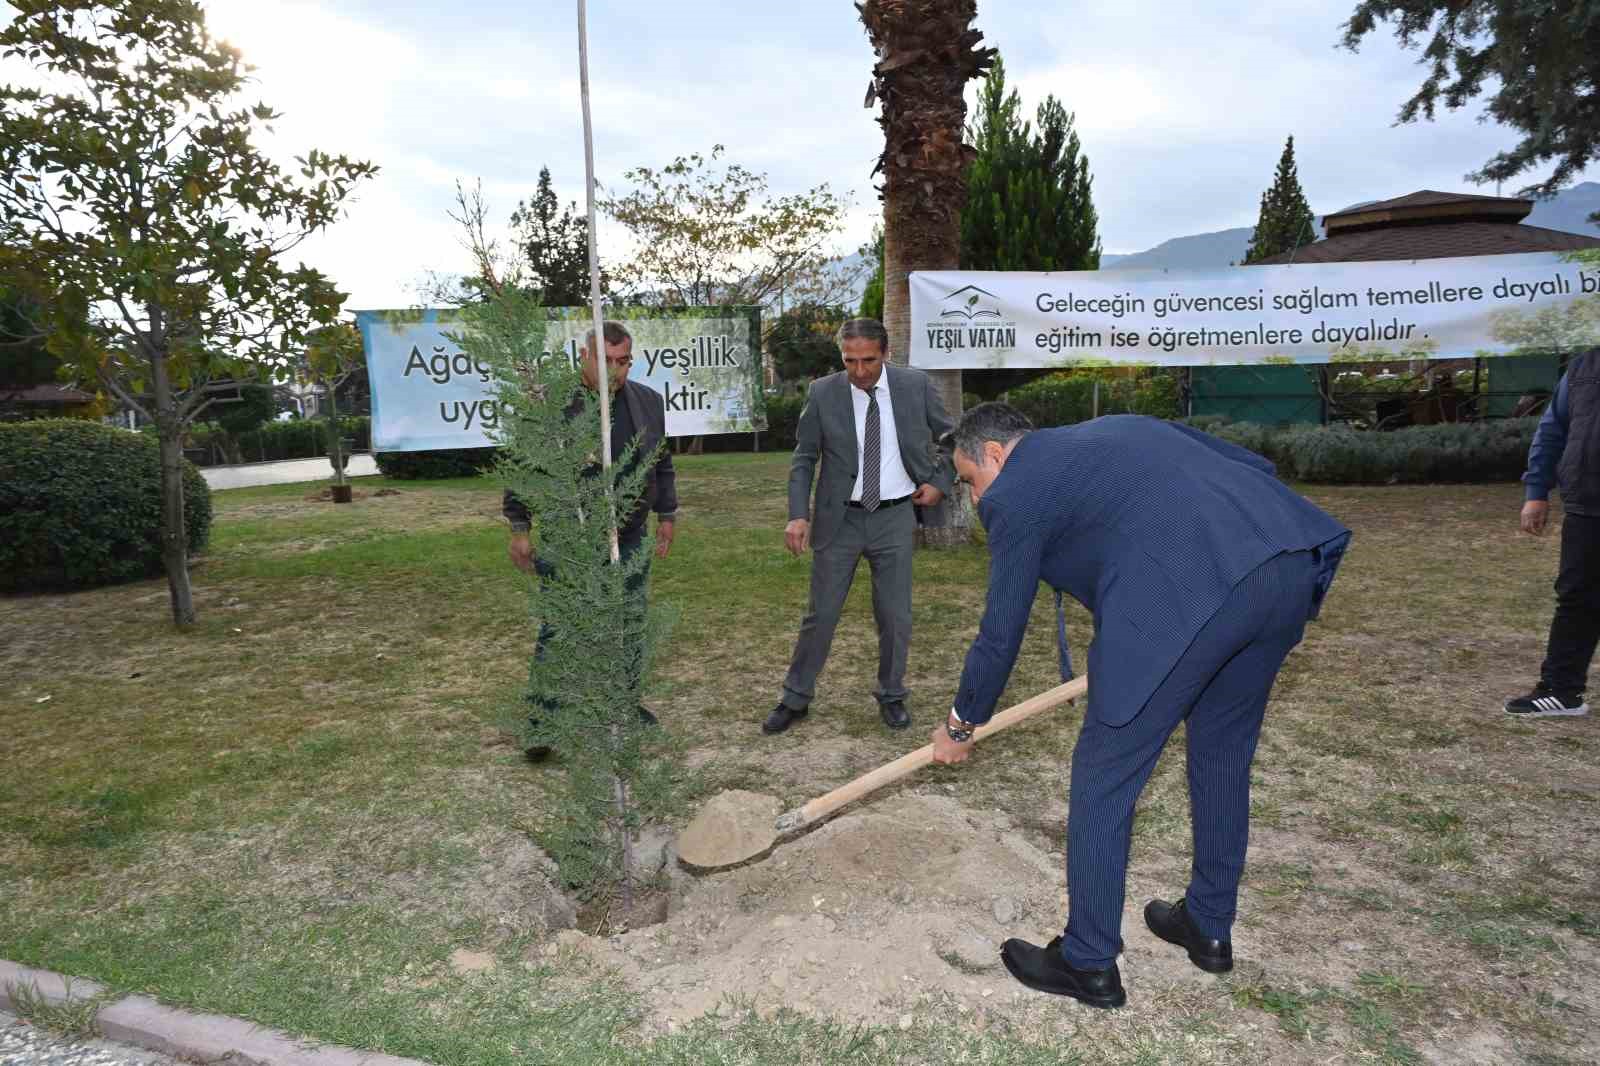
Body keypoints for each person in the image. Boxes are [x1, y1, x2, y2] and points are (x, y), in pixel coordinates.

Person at [930, 404, 1351, 1010]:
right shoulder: (1117, 429)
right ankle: (1207, 925)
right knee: (1221, 755)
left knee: (1104, 779)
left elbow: (1002, 630)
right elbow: (1250, 464)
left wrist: (961, 723)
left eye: (969, 481)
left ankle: (1088, 961)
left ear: (995, 454)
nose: (974, 499)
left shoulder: (1015, 490)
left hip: (1189, 595)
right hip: (1282, 565)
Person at [763, 318, 954, 735]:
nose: (860, 371)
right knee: (822, 615)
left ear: (885, 354)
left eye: (868, 360)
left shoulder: (915, 387)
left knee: (894, 615)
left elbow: (951, 438)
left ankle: (892, 695)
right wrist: (798, 514)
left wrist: (939, 483)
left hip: (895, 516)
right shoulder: (823, 392)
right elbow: (804, 458)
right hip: (840, 519)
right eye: (850, 361)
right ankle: (795, 697)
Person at [504, 321, 678, 758]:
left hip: (631, 537)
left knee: (630, 627)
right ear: (584, 357)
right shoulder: (550, 405)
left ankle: (624, 705)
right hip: (570, 540)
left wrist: (667, 513)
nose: (615, 371)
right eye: (606, 361)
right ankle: (543, 723)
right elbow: (523, 470)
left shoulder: (648, 403)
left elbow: (661, 462)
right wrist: (520, 528)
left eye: (624, 362)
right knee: (561, 631)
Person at [1506, 357, 1599, 718]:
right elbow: (1552, 430)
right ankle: (1562, 691)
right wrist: (1536, 491)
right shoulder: (1583, 368)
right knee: (1576, 599)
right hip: (1588, 505)